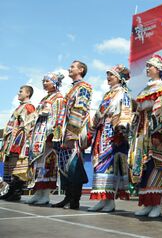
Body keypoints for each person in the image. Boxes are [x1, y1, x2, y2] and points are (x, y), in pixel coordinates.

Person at [129, 54, 162, 218]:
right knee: (145, 167)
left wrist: (159, 132)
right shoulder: (146, 89)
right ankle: (147, 203)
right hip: (143, 133)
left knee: (158, 168)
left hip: (157, 134)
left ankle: (157, 204)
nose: (148, 68)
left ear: (159, 69)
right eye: (148, 65)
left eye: (151, 66)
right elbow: (140, 111)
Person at [88, 65, 133, 212]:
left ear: (119, 78)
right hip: (102, 132)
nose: (108, 78)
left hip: (113, 134)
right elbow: (100, 113)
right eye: (107, 75)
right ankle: (102, 199)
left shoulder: (123, 93)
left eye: (111, 75)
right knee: (99, 164)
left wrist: (121, 130)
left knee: (110, 166)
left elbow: (125, 113)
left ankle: (110, 201)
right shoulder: (108, 94)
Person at [51, 61, 93, 210]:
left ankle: (75, 200)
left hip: (74, 133)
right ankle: (67, 197)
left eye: (73, 67)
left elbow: (79, 110)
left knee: (74, 165)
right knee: (65, 166)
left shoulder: (84, 87)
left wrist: (71, 135)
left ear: (81, 70)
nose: (69, 68)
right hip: (65, 132)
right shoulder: (72, 88)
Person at [27, 72, 66, 205]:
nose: (44, 83)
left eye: (47, 81)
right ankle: (38, 192)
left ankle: (46, 194)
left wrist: (54, 135)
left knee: (47, 164)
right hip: (39, 134)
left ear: (54, 83)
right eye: (43, 81)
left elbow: (58, 118)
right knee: (38, 164)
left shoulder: (59, 98)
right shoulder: (44, 98)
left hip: (48, 136)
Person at [0, 85, 36, 201]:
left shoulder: (29, 107)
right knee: (11, 166)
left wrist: (23, 142)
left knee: (18, 167)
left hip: (20, 140)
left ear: (28, 94)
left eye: (21, 91)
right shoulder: (20, 107)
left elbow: (28, 126)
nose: (18, 93)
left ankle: (16, 192)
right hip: (13, 140)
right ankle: (11, 191)